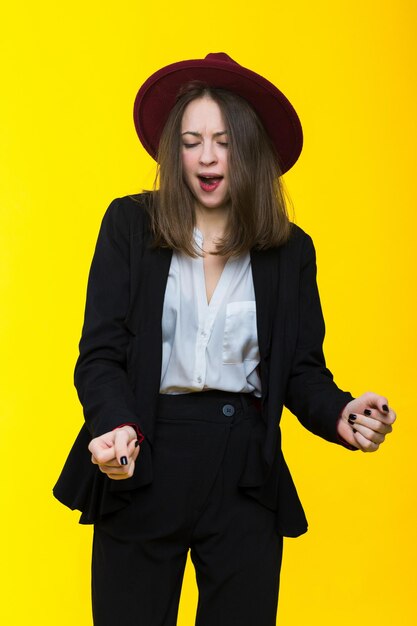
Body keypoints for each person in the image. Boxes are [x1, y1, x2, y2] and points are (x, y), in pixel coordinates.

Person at [54, 53, 396, 626]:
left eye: (224, 141)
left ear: (251, 150)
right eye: (191, 141)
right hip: (143, 457)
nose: (207, 157)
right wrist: (114, 427)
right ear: (174, 151)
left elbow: (302, 371)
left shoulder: (292, 250)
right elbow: (101, 356)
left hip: (244, 473)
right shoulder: (129, 225)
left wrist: (342, 412)